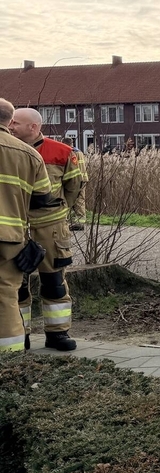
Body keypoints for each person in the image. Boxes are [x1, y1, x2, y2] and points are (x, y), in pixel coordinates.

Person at [9, 108, 84, 351]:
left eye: (15, 123)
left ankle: (58, 333)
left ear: (33, 127)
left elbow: (74, 187)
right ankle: (22, 334)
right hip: (16, 227)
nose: (10, 126)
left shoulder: (62, 152)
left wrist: (58, 214)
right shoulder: (7, 151)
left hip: (50, 227)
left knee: (54, 282)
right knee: (16, 285)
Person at [0, 99, 54, 353]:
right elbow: (43, 198)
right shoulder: (30, 154)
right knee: (7, 298)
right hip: (11, 239)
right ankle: (10, 362)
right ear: (9, 122)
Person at [69, 145, 88, 231]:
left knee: (71, 199)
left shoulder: (71, 152)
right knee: (80, 200)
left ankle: (77, 223)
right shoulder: (79, 151)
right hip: (83, 179)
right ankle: (80, 221)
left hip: (76, 179)